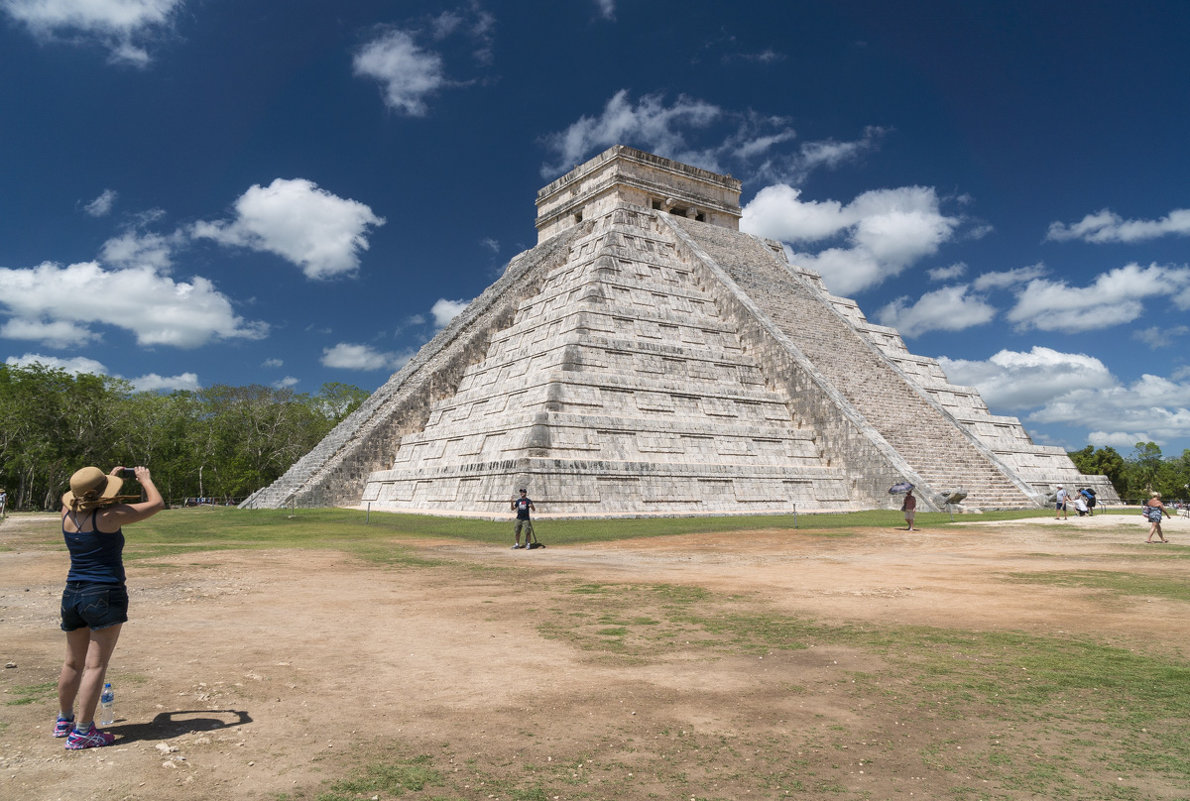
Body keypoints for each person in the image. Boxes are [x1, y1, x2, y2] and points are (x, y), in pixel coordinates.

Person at [55, 465, 163, 749]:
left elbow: (87, 499)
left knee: (72, 662)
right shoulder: (110, 516)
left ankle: (64, 719)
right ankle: (82, 731)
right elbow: (157, 504)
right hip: (104, 592)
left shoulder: (66, 513)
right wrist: (145, 480)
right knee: (95, 665)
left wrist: (108, 481)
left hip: (72, 593)